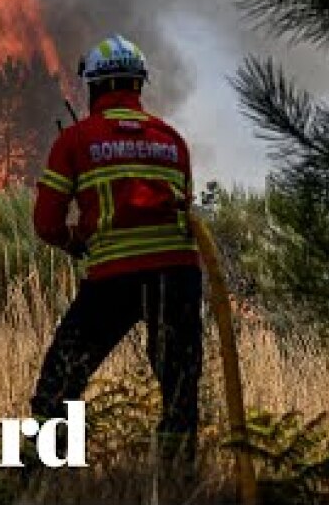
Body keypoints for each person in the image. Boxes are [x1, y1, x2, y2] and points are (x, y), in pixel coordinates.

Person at [31, 34, 203, 467]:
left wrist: (77, 241)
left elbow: (46, 224)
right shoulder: (172, 139)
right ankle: (176, 475)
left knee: (62, 377)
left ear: (95, 88)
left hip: (114, 278)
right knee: (180, 387)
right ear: (137, 85)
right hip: (178, 276)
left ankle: (44, 472)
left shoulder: (76, 140)